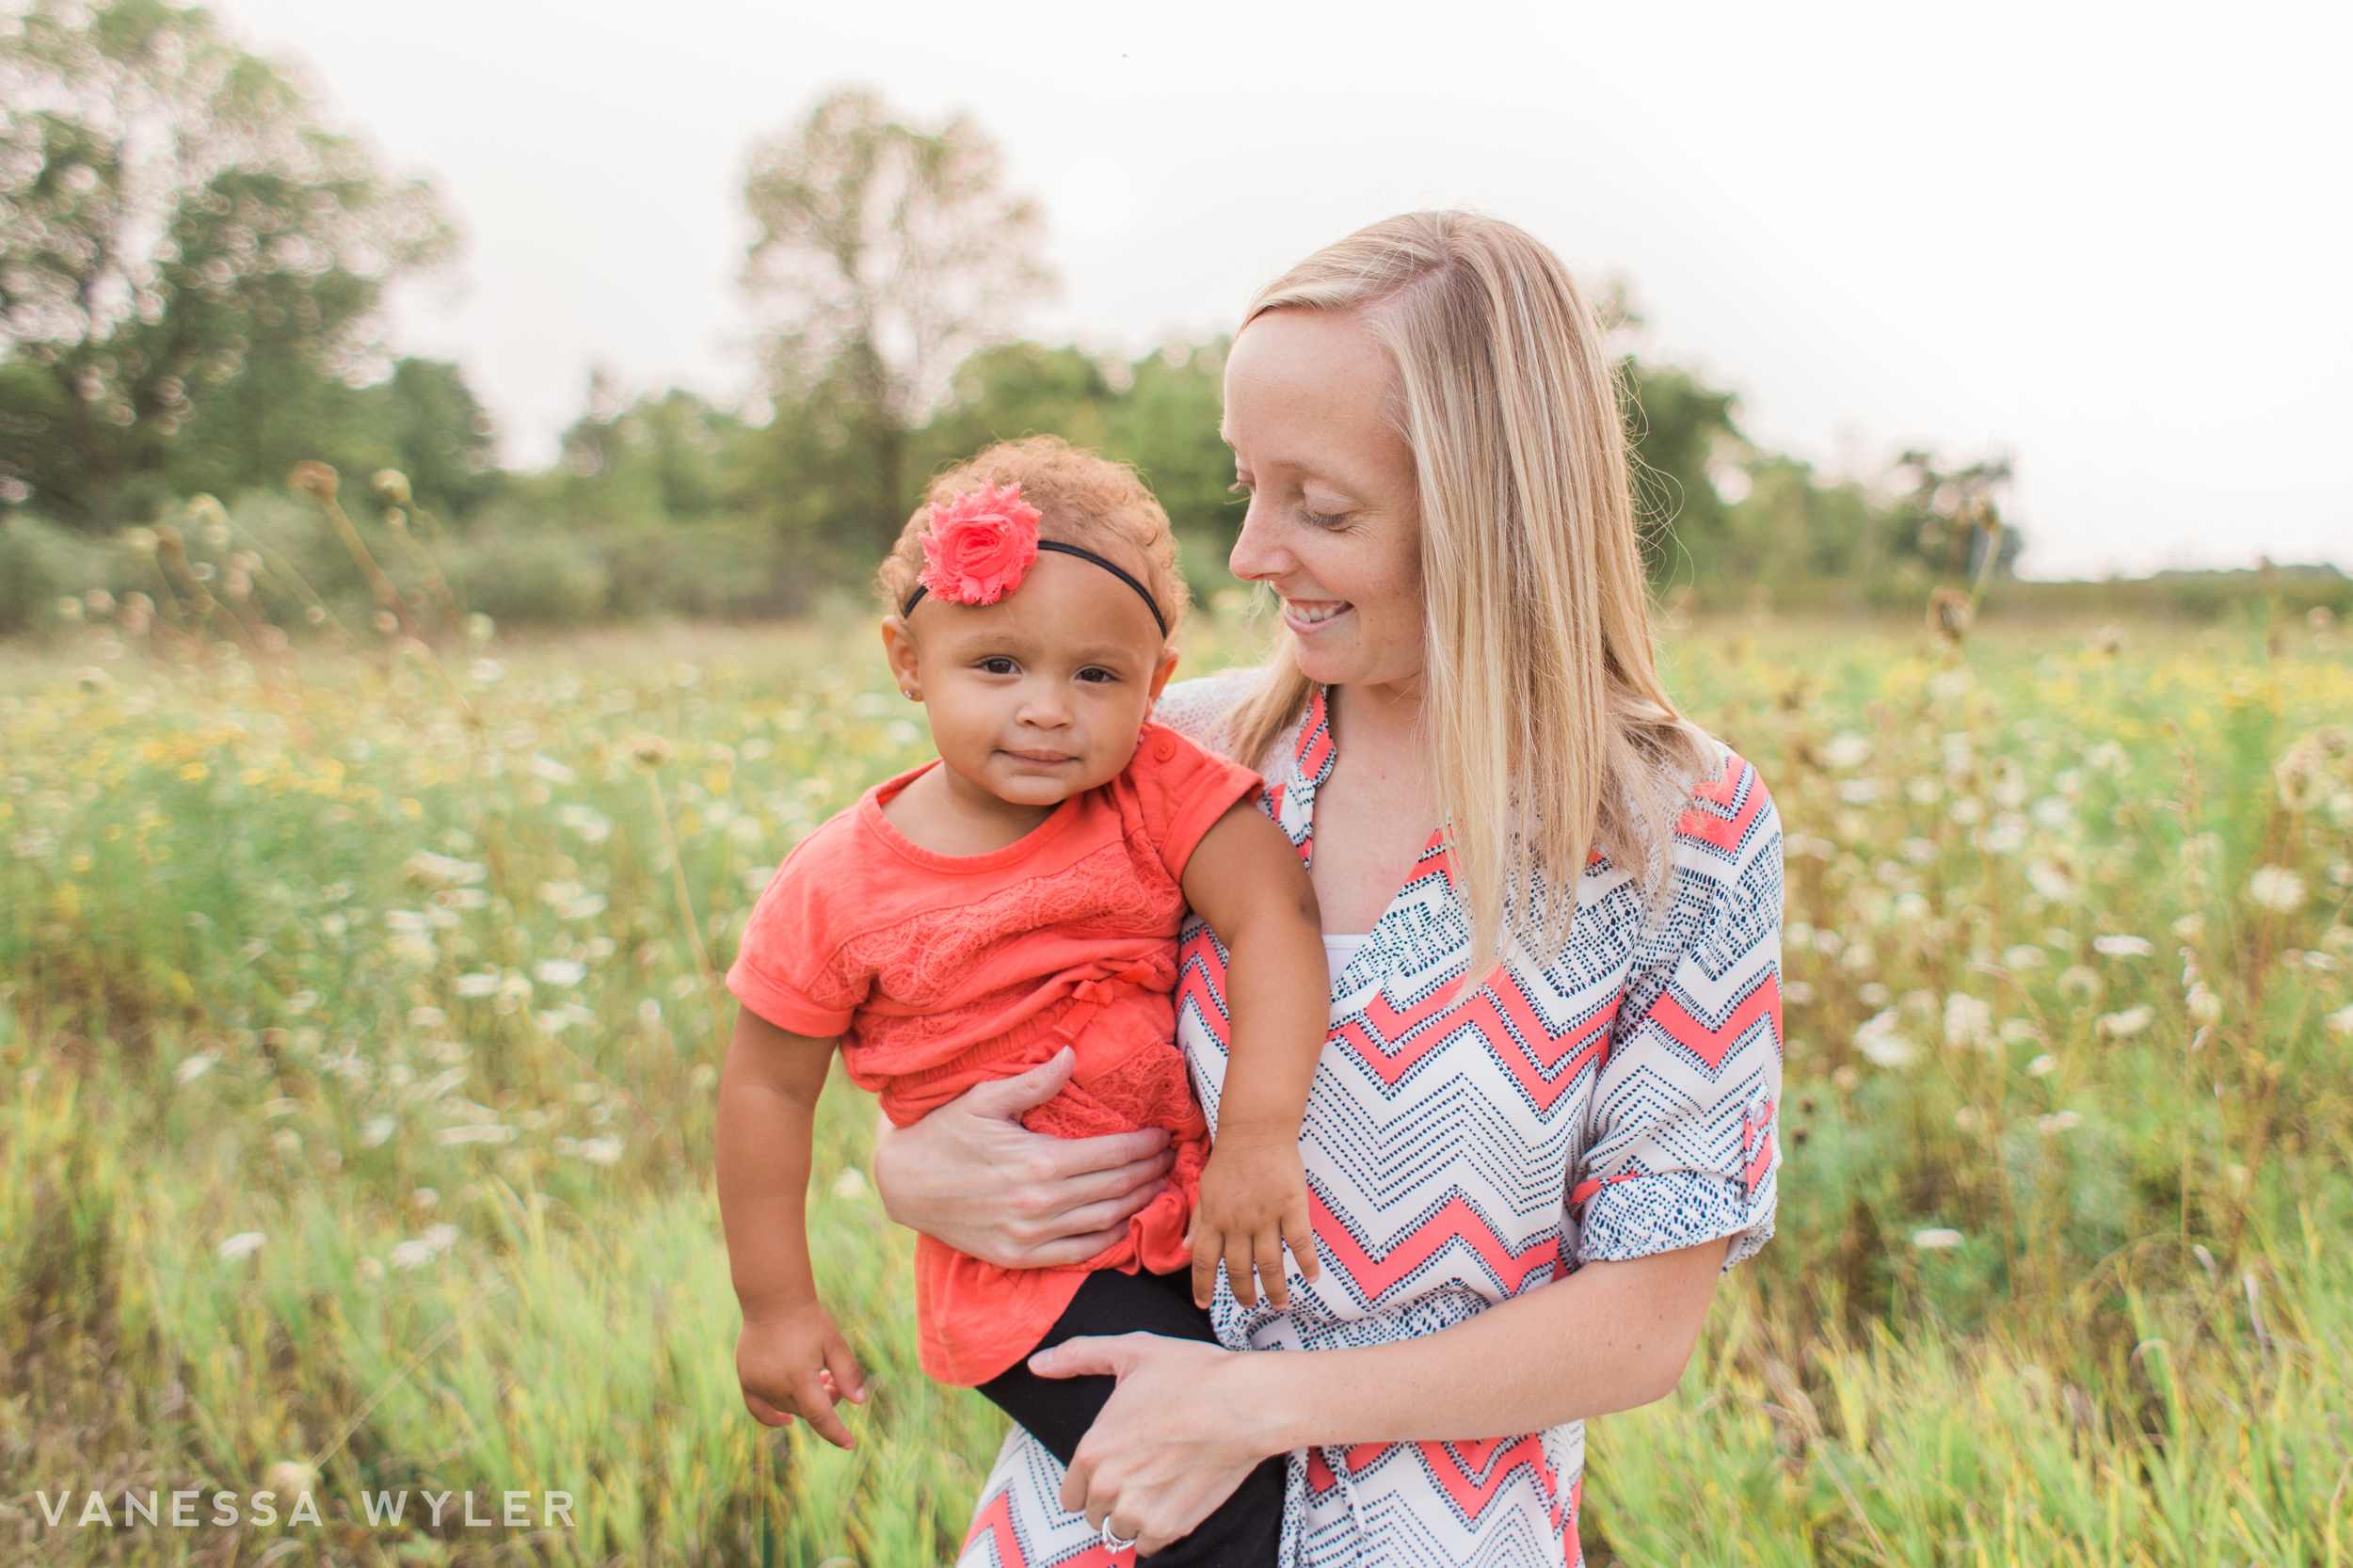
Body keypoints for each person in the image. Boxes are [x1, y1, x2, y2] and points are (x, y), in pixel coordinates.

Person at [872, 214, 1785, 1567]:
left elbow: (1642, 1324)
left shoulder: (1677, 827)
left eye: (1321, 504)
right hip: (1091, 1523)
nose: (1249, 552)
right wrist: (909, 1164)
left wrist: (1254, 1405)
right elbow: (941, 1012)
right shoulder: (1173, 759)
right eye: (1247, 484)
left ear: (1492, 509)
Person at [715, 438, 1332, 1567]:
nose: (1048, 710)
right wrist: (776, 1306)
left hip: (1183, 1225)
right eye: (996, 665)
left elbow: (1276, 920)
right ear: (908, 659)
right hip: (1027, 1281)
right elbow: (764, 1083)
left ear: (1155, 684)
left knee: (1264, 1464)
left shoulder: (1152, 786)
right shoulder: (837, 884)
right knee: (1215, 1500)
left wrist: (1257, 1133)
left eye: (1095, 676)